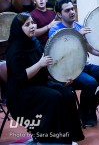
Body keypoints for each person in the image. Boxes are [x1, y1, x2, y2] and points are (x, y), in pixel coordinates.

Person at [6, 12, 84, 144]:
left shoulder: (34, 42)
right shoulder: (14, 49)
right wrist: (39, 64)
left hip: (39, 83)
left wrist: (61, 79)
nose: (32, 26)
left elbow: (47, 67)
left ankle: (69, 137)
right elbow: (21, 76)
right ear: (19, 29)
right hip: (22, 92)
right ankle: (48, 139)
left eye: (32, 23)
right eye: (27, 25)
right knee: (54, 97)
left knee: (67, 94)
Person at [49, 0, 99, 127]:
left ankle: (90, 106)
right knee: (90, 83)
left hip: (84, 65)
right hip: (68, 70)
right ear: (59, 14)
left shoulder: (79, 26)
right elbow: (59, 55)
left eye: (72, 9)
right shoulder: (55, 31)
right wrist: (77, 35)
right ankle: (87, 112)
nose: (72, 12)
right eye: (67, 10)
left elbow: (91, 49)